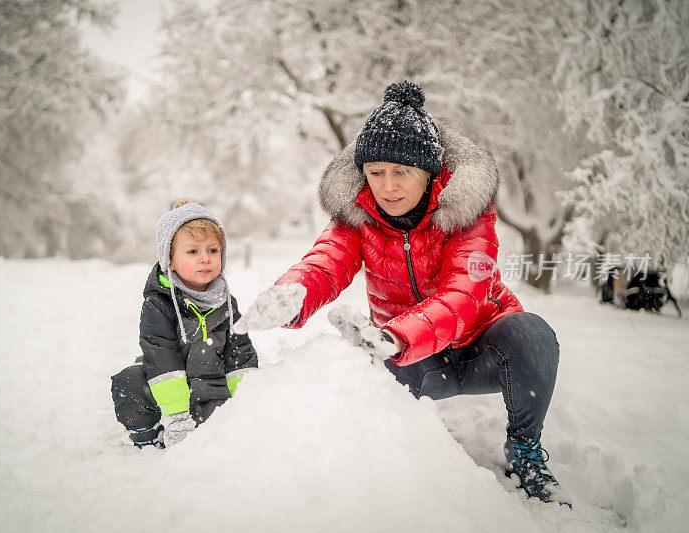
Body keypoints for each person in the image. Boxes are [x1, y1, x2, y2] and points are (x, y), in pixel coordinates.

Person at [236, 81, 568, 505]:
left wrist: (398, 335)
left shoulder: (466, 210)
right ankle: (402, 452)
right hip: (415, 360)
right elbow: (326, 260)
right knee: (366, 372)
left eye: (402, 172)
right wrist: (293, 293)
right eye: (376, 173)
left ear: (429, 172)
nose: (388, 187)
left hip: (483, 346)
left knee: (532, 336)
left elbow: (465, 292)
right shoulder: (358, 214)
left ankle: (524, 447)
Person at [111, 200, 257, 448]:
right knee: (130, 382)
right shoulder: (159, 305)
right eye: (193, 252)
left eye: (213, 250)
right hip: (167, 391)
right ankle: (148, 436)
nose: (205, 259)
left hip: (210, 389)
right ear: (169, 260)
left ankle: (213, 432)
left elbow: (239, 355)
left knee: (224, 426)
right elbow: (162, 359)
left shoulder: (225, 302)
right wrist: (177, 417)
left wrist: (246, 407)